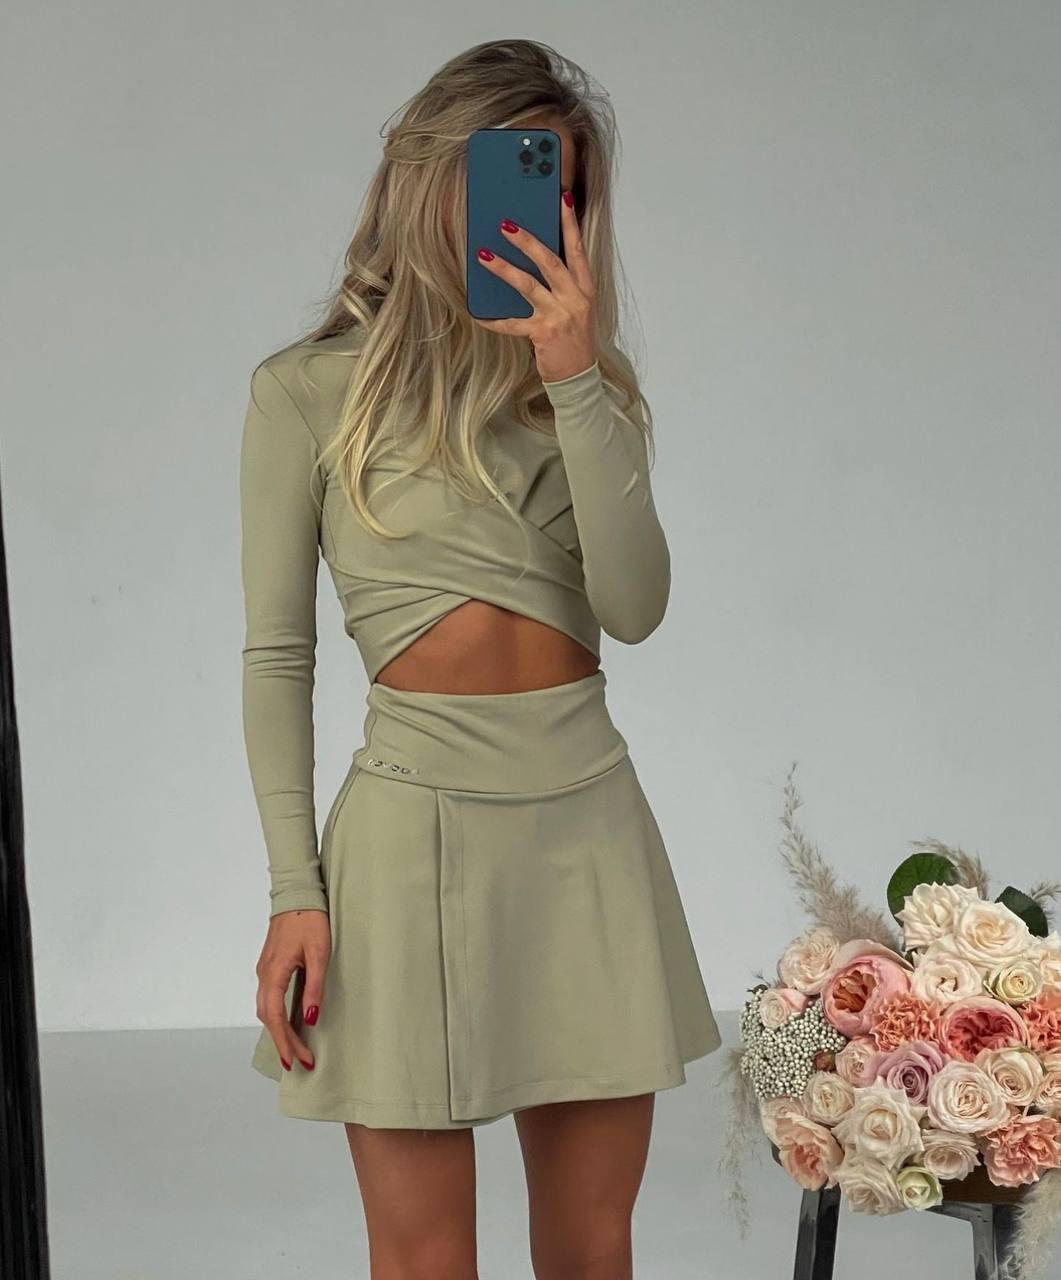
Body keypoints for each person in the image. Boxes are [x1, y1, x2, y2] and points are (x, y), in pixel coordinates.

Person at [239, 38, 722, 1280]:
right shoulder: (305, 393)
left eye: (566, 193)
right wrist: (295, 889)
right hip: (407, 841)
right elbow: (277, 658)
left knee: (591, 1253)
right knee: (420, 1262)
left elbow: (635, 608)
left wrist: (573, 375)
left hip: (586, 829)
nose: (543, 219)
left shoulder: (589, 395)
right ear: (435, 179)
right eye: (519, 178)